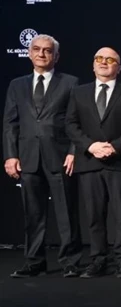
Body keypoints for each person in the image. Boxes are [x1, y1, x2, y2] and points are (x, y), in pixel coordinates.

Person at [3, 34, 82, 278]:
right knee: (33, 214)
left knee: (66, 212)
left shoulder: (70, 82)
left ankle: (70, 262)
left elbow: (76, 121)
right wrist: (10, 156)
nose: (41, 54)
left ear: (56, 56)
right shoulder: (17, 85)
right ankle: (34, 262)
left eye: (47, 50)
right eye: (36, 49)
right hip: (28, 158)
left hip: (60, 157)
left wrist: (74, 151)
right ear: (29, 53)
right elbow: (10, 123)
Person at [66, 47, 121, 278]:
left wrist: (115, 146)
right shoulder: (78, 93)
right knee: (94, 216)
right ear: (93, 65)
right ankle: (98, 260)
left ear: (118, 68)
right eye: (99, 58)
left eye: (110, 60)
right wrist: (91, 146)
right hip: (90, 161)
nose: (103, 62)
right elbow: (70, 124)